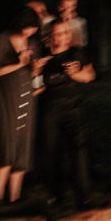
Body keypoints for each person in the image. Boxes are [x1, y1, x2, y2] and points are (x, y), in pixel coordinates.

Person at [0, 8, 43, 204]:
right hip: (5, 98)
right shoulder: (0, 40)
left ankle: (15, 198)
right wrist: (19, 63)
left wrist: (35, 71)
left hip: (26, 98)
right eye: (27, 28)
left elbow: (33, 74)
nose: (29, 33)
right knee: (6, 146)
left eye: (33, 29)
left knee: (22, 148)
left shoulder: (33, 43)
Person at [38, 19, 96, 206]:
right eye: (58, 33)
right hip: (50, 110)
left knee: (79, 150)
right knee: (51, 151)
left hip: (73, 107)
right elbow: (36, 85)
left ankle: (84, 195)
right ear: (50, 35)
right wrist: (35, 71)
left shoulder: (76, 53)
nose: (63, 37)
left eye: (66, 32)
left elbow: (90, 76)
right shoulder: (42, 56)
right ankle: (56, 194)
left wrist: (75, 75)